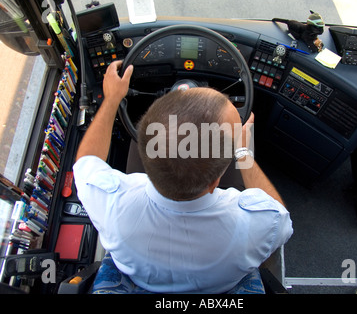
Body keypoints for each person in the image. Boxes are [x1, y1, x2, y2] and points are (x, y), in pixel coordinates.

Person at [73, 60, 293, 293]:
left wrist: (112, 99)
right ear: (215, 182)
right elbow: (280, 216)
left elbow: (86, 161)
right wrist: (243, 152)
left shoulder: (111, 203)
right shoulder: (257, 224)